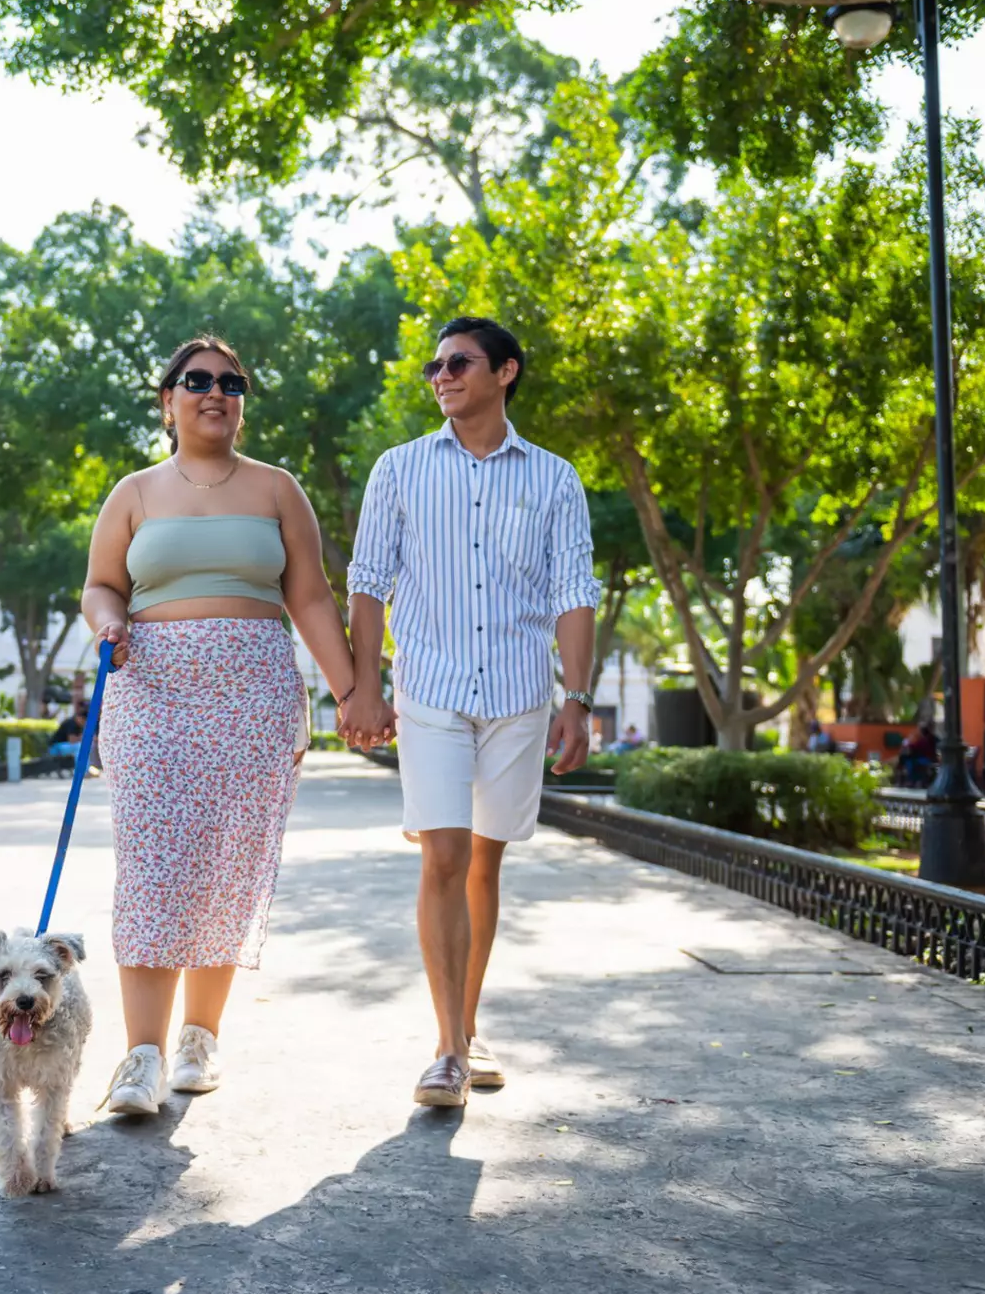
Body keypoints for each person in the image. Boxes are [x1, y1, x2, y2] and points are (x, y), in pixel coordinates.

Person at [81, 334, 361, 1115]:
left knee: (226, 868)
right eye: (196, 380)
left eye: (231, 381)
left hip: (254, 697)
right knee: (153, 867)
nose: (215, 391)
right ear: (167, 401)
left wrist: (351, 693)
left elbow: (309, 599)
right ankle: (140, 1056)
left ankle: (198, 1042)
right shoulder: (134, 492)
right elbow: (102, 585)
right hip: (153, 691)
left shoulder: (278, 490)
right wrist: (109, 623)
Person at [341, 316, 602, 1109]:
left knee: (486, 863)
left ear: (506, 373)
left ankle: (468, 1022)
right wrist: (363, 686)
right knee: (444, 857)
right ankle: (448, 1050)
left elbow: (574, 593)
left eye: (459, 363)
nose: (442, 376)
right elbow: (367, 582)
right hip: (432, 692)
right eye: (435, 366)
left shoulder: (555, 479)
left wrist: (578, 698)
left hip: (521, 695)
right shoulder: (400, 469)